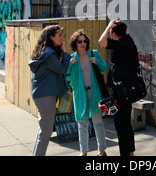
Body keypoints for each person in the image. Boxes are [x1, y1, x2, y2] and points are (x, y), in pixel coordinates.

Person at [29, 25, 71, 156]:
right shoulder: (49, 54)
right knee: (45, 133)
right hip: (46, 97)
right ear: (51, 37)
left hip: (43, 95)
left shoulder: (44, 51)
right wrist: (65, 54)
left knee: (43, 131)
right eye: (58, 35)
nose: (61, 38)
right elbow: (62, 69)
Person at [98, 20, 139, 156]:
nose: (110, 35)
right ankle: (130, 153)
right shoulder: (127, 41)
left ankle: (126, 154)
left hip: (122, 92)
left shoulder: (123, 43)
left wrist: (109, 26)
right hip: (123, 90)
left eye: (111, 33)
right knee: (125, 124)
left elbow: (101, 42)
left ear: (114, 33)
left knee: (121, 125)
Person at [68, 29, 108, 156]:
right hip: (80, 94)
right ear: (75, 43)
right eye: (79, 41)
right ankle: (83, 151)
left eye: (84, 41)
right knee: (82, 123)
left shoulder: (94, 53)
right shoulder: (72, 58)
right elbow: (68, 77)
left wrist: (97, 62)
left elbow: (104, 68)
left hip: (94, 92)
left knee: (98, 121)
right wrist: (69, 65)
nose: (82, 43)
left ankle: (101, 150)